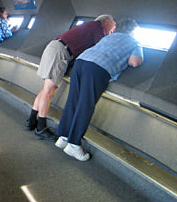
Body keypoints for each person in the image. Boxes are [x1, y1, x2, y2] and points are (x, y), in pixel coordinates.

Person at [54, 18, 143, 161]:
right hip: (97, 69)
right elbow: (135, 62)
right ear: (133, 32)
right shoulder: (134, 42)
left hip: (81, 62)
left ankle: (63, 136)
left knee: (74, 100)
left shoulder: (110, 36)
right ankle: (73, 144)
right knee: (86, 105)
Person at [26, 15, 116, 140]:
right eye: (114, 26)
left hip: (56, 49)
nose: (114, 30)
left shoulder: (89, 26)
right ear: (106, 22)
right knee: (49, 92)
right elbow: (101, 46)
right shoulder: (97, 27)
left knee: (46, 90)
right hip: (60, 51)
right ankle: (41, 128)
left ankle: (31, 121)